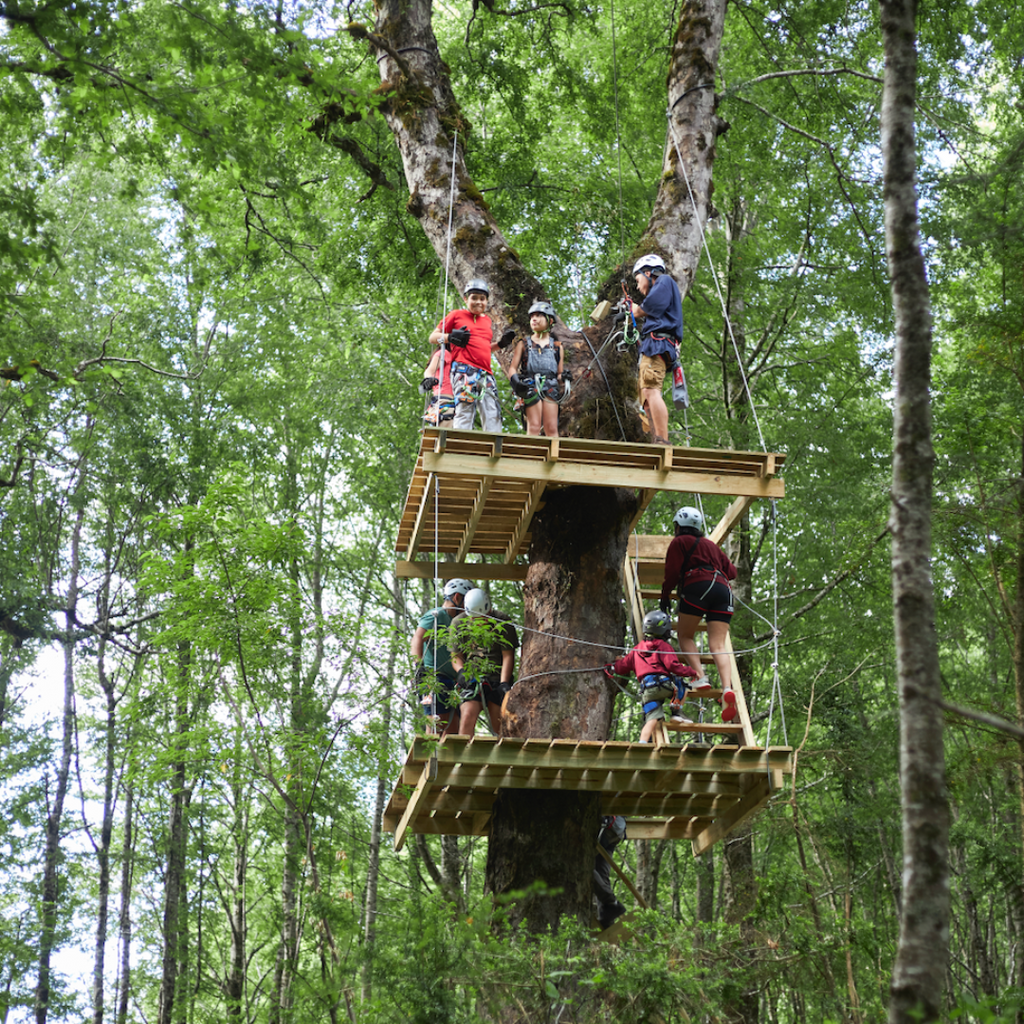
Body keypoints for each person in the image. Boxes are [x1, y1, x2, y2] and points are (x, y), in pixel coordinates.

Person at [659, 506, 739, 722]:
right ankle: (726, 688)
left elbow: (673, 571)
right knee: (719, 645)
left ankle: (701, 678)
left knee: (685, 636)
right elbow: (732, 572)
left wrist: (665, 595)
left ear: (678, 526)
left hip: (697, 585)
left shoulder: (679, 543)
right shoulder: (710, 545)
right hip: (723, 590)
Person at [606, 609, 703, 742]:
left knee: (651, 720)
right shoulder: (664, 646)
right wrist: (691, 671)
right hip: (663, 685)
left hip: (647, 691)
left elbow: (622, 666)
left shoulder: (637, 649)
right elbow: (672, 666)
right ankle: (676, 712)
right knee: (683, 685)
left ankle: (642, 743)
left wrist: (612, 668)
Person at [429, 279, 502, 433]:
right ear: (466, 299)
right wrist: (449, 337)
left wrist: (500, 345)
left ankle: (494, 445)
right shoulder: (456, 315)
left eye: (482, 299)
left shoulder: (487, 321)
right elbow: (433, 337)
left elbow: (483, 348)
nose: (478, 302)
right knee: (465, 407)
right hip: (464, 369)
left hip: (486, 372)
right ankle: (460, 444)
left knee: (492, 411)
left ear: (487, 301)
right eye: (474, 298)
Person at [450, 588, 519, 737]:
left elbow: (507, 655)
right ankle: (465, 758)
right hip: (472, 678)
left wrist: (504, 683)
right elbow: (456, 656)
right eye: (476, 619)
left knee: (500, 724)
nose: (481, 621)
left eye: (485, 617)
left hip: (496, 678)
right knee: (467, 715)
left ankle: (504, 758)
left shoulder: (502, 621)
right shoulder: (458, 623)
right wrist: (461, 672)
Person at [629, 254, 683, 445]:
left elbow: (650, 306)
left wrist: (634, 309)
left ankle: (662, 440)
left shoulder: (664, 281)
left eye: (638, 280)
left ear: (648, 272)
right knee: (646, 396)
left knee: (651, 391)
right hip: (655, 344)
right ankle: (656, 437)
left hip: (657, 344)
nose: (637, 286)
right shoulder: (664, 289)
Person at [410, 578, 473, 734]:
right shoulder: (436, 615)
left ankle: (447, 758)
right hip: (434, 677)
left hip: (454, 681)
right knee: (436, 722)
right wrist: (418, 666)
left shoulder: (461, 623)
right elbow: (418, 638)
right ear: (457, 597)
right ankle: (430, 756)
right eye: (466, 603)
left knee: (452, 731)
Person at [506, 300, 568, 437]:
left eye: (539, 315)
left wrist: (564, 377)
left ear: (550, 320)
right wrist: (515, 381)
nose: (534, 319)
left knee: (551, 428)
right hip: (531, 385)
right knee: (533, 426)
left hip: (551, 386)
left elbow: (559, 373)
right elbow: (512, 368)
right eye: (532, 316)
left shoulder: (557, 346)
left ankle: (554, 456)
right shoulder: (523, 344)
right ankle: (530, 456)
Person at [593, 814, 627, 930]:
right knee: (602, 875)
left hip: (606, 827)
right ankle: (607, 921)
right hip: (615, 831)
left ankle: (610, 902)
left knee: (582, 865)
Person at [419, 345, 456, 427]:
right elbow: (429, 371)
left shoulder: (452, 357)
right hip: (445, 398)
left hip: (448, 398)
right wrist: (429, 379)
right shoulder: (444, 353)